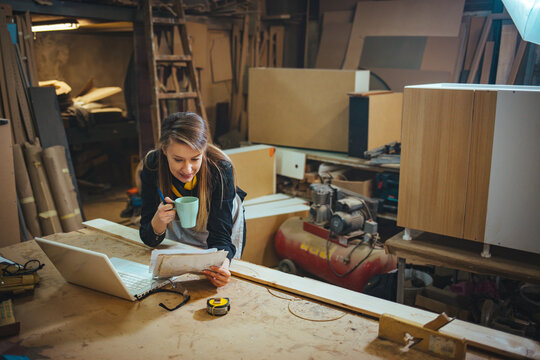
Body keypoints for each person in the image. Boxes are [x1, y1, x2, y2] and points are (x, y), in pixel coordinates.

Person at [139, 112, 246, 287]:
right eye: (178, 159)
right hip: (176, 224)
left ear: (203, 151)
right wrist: (159, 221)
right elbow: (149, 239)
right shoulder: (153, 165)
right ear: (164, 150)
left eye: (195, 159)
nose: (187, 169)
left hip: (219, 223)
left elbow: (221, 237)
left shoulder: (220, 169)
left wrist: (222, 268)